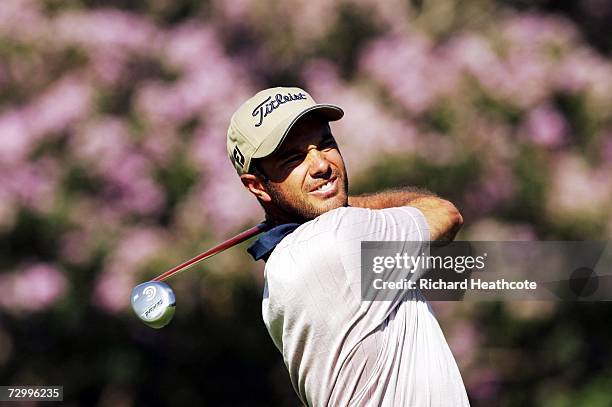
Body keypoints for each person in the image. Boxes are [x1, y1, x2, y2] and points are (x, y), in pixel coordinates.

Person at [226, 87, 470, 406]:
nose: (321, 166)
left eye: (325, 144)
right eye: (293, 158)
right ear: (257, 186)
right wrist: (345, 206)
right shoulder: (340, 237)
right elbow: (445, 214)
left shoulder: (280, 273)